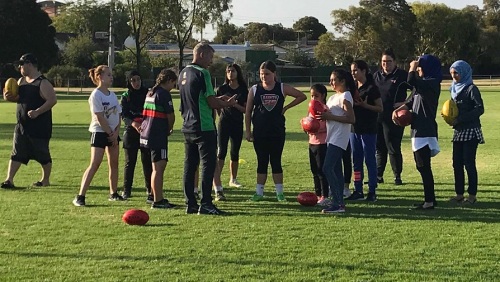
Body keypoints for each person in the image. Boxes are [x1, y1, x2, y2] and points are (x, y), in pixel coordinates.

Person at [179, 42, 237, 215]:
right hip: (204, 126)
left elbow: (195, 98)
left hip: (187, 126)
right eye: (211, 57)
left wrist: (218, 98)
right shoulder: (203, 73)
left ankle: (190, 203)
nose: (211, 61)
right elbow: (211, 102)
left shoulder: (183, 72)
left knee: (190, 165)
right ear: (202, 54)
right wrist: (226, 103)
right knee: (208, 165)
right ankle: (206, 203)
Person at [245, 60, 307, 202]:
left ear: (274, 74)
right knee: (261, 161)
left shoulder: (282, 88)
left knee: (276, 161)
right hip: (260, 132)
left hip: (277, 131)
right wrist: (248, 131)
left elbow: (301, 96)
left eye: (267, 74)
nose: (264, 77)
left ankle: (280, 193)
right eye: (261, 74)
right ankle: (259, 192)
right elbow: (248, 112)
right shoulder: (254, 89)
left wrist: (286, 107)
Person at [392, 54, 442, 210]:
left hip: (425, 130)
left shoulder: (432, 83)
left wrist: (412, 67)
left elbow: (411, 80)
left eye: (421, 67)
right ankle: (430, 199)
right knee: (422, 166)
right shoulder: (421, 85)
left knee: (423, 166)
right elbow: (410, 102)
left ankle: (429, 201)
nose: (418, 70)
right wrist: (398, 111)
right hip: (417, 129)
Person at [1, 53, 57, 189]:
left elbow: (52, 100)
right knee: (17, 152)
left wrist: (38, 111)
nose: (19, 67)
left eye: (22, 64)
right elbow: (18, 99)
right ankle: (9, 180)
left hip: (39, 126)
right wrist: (8, 97)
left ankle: (45, 180)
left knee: (42, 154)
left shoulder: (42, 82)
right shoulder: (20, 81)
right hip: (21, 125)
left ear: (30, 64)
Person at [73, 65, 123, 206]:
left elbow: (118, 115)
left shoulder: (112, 95)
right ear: (99, 77)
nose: (111, 77)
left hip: (113, 133)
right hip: (100, 132)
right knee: (95, 164)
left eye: (111, 74)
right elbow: (99, 116)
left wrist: (116, 133)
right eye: (108, 75)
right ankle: (80, 196)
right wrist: (109, 133)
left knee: (114, 164)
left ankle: (113, 193)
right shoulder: (96, 95)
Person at [447, 60, 484, 204]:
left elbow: (479, 108)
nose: (454, 76)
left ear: (464, 72)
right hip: (458, 131)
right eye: (452, 73)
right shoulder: (453, 88)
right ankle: (459, 194)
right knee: (456, 163)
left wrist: (461, 119)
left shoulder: (471, 89)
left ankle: (472, 196)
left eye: (456, 72)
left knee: (469, 163)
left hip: (471, 131)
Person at [140, 68, 178, 209]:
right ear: (169, 81)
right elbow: (171, 116)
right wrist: (169, 129)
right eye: (173, 84)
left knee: (153, 167)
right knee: (159, 168)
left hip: (145, 134)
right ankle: (158, 200)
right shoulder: (164, 94)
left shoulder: (150, 92)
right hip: (157, 134)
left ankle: (152, 195)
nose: (173, 88)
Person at [319, 69, 356, 213]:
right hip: (331, 136)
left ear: (343, 81)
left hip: (339, 137)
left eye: (334, 80)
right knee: (336, 171)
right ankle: (339, 202)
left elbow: (351, 119)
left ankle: (337, 202)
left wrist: (330, 117)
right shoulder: (333, 97)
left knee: (327, 168)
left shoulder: (346, 96)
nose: (331, 83)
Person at [347, 60, 383, 202]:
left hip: (368, 129)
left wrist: (365, 105)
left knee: (370, 161)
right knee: (356, 161)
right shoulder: (352, 88)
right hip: (354, 129)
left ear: (364, 71)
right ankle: (358, 189)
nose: (353, 73)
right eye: (352, 71)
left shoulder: (372, 88)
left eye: (356, 70)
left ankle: (372, 191)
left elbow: (380, 108)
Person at [212, 63, 248, 201]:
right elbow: (216, 105)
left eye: (233, 71)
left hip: (237, 123)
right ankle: (217, 181)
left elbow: (246, 110)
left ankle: (233, 179)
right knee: (221, 152)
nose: (230, 73)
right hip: (224, 123)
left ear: (237, 73)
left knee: (235, 152)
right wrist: (222, 114)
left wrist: (234, 104)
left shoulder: (244, 90)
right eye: (228, 71)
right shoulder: (222, 89)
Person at [373, 49, 410, 185]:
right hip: (378, 117)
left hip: (395, 117)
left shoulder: (402, 75)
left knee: (393, 147)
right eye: (383, 61)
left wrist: (406, 103)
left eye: (389, 61)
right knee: (379, 147)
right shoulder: (376, 76)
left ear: (395, 62)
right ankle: (378, 176)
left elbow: (416, 89)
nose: (386, 64)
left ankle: (397, 176)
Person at [120, 70, 153, 203]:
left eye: (138, 79)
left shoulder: (148, 93)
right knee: (130, 162)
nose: (136, 82)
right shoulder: (126, 95)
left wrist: (145, 125)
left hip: (146, 131)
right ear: (129, 81)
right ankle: (126, 190)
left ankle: (150, 189)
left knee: (147, 161)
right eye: (133, 80)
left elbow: (152, 110)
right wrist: (134, 123)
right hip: (131, 131)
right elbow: (124, 115)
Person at [306, 84, 329, 205]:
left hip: (322, 143)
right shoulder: (311, 109)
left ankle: (325, 195)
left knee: (321, 170)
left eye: (316, 96)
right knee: (314, 170)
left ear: (323, 96)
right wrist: (305, 125)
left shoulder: (325, 109)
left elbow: (326, 126)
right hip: (312, 142)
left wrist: (315, 128)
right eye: (312, 96)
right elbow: (308, 122)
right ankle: (318, 194)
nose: (313, 99)